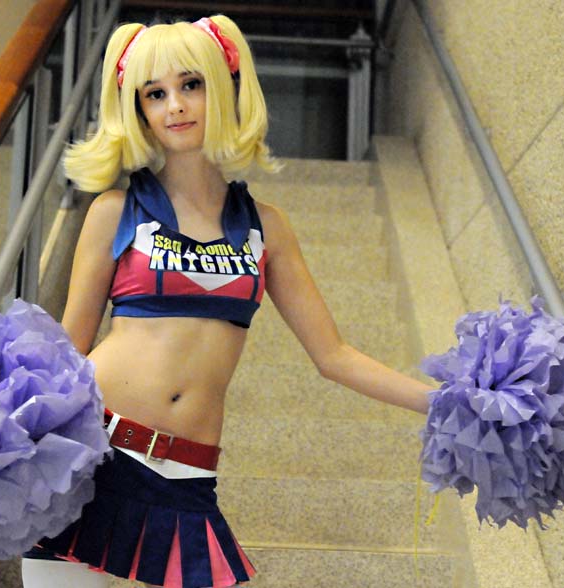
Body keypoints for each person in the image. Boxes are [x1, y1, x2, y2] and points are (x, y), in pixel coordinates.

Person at [21, 14, 431, 588]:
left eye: (192, 85)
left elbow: (334, 355)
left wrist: (445, 403)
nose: (176, 106)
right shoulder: (115, 211)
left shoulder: (268, 228)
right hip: (90, 452)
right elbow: (69, 347)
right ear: (138, 110)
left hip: (187, 474)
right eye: (155, 94)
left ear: (225, 87)